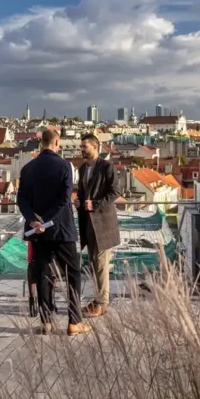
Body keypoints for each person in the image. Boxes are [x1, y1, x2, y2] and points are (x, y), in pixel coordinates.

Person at [18, 129, 90, 336]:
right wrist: (47, 221)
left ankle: (46, 322)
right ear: (56, 142)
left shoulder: (28, 168)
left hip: (36, 231)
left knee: (43, 274)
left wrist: (34, 219)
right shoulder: (64, 165)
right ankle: (74, 322)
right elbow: (64, 199)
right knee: (73, 273)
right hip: (61, 229)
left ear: (42, 143)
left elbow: (21, 199)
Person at [76, 134, 120, 318]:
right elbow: (82, 191)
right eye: (81, 146)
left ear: (95, 147)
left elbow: (116, 191)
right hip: (89, 222)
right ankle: (98, 300)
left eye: (84, 146)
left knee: (101, 263)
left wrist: (95, 203)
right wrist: (79, 201)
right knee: (94, 263)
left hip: (102, 222)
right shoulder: (83, 168)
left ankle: (102, 303)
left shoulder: (106, 166)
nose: (81, 149)